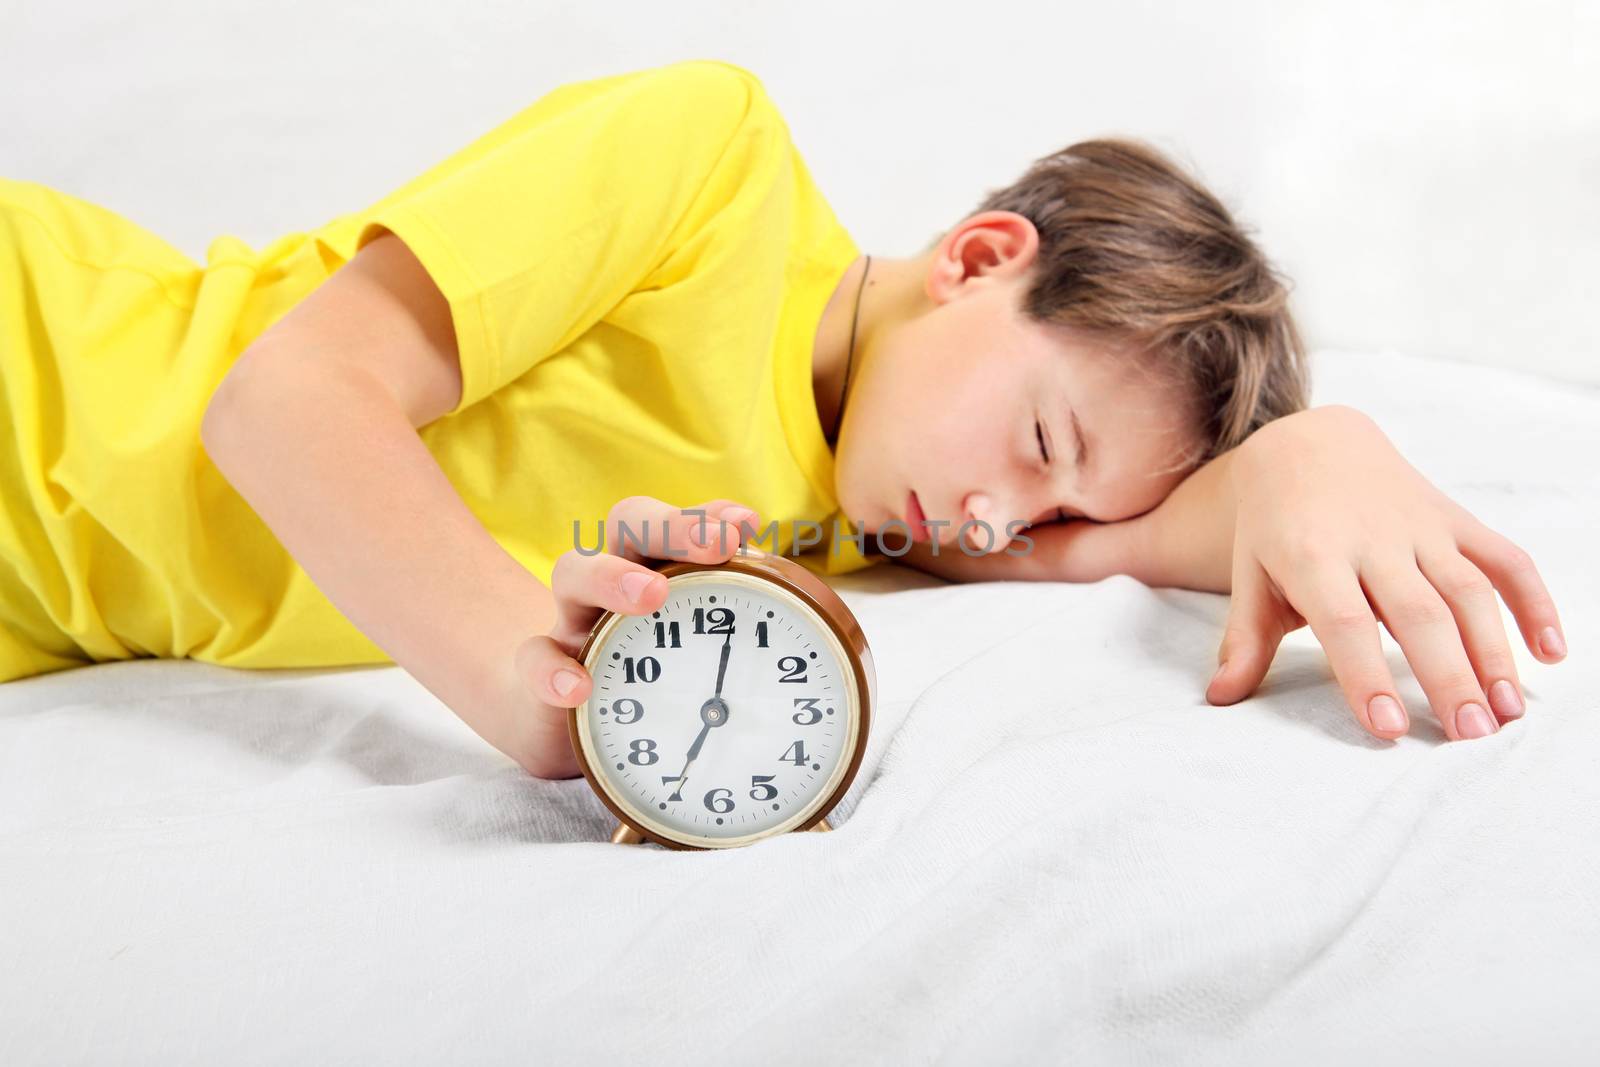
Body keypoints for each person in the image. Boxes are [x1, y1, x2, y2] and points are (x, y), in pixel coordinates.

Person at [0, 59, 1566, 779]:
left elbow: (1140, 543)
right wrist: (529, 685)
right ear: (978, 260)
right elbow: (283, 404)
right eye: (1037, 451)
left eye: (1048, 517)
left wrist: (1319, 451)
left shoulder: (867, 522)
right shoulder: (713, 167)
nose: (991, 532)